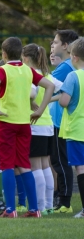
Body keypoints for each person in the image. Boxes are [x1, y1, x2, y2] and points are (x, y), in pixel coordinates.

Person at [0, 37, 54, 218]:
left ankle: (10, 209)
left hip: (6, 123)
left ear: (3, 54)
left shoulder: (2, 70)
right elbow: (49, 86)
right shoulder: (28, 70)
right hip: (24, 124)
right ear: (20, 54)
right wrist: (40, 110)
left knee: (7, 165)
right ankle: (34, 209)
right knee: (25, 164)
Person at [21, 43, 62, 215]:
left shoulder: (31, 75)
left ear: (26, 58)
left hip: (34, 126)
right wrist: (47, 103)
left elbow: (30, 93)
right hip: (47, 125)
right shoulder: (47, 76)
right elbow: (64, 91)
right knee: (46, 166)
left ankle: (39, 206)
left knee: (35, 166)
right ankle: (48, 205)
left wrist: (34, 105)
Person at [49, 29, 78, 213]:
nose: (52, 45)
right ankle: (61, 199)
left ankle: (65, 203)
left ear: (66, 46)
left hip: (60, 122)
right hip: (62, 121)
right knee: (58, 161)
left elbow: (45, 87)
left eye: (56, 42)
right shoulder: (68, 66)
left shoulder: (66, 67)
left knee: (60, 162)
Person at [59, 37, 84, 218]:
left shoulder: (73, 76)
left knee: (81, 169)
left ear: (74, 57)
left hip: (76, 130)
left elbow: (64, 101)